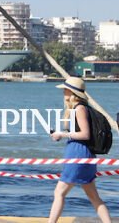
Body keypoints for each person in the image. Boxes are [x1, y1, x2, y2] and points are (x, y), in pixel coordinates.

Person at [48, 77, 112, 223]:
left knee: (59, 192)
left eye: (65, 90)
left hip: (78, 155)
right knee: (94, 197)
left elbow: (85, 134)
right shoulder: (81, 108)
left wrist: (62, 134)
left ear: (72, 92)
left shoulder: (79, 109)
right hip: (84, 155)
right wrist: (60, 135)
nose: (63, 92)